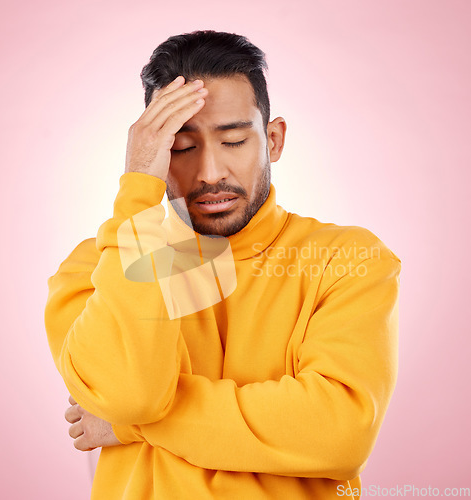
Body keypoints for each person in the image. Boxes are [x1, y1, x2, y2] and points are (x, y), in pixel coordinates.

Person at [44, 30, 401, 499]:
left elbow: (339, 433)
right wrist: (138, 193)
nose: (211, 172)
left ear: (273, 140)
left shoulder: (347, 258)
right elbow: (129, 394)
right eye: (181, 147)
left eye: (233, 140)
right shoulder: (94, 270)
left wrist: (135, 427)